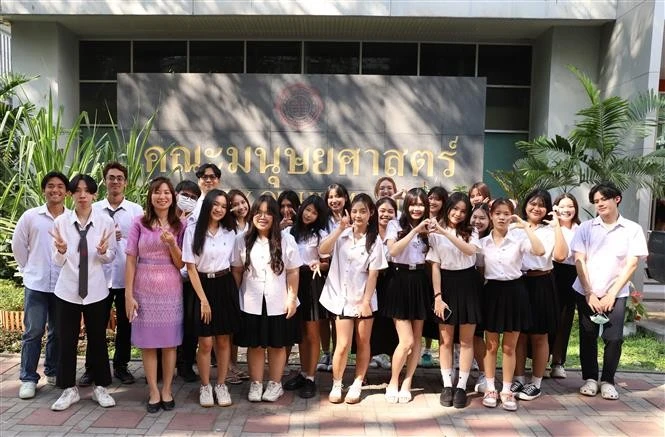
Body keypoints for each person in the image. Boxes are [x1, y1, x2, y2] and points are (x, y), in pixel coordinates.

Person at [572, 182, 648, 400]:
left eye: (603, 199)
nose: (599, 204)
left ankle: (607, 380)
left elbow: (632, 264)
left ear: (617, 199)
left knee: (613, 338)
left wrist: (611, 294)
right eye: (596, 201)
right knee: (587, 336)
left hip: (616, 292)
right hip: (587, 291)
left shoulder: (632, 229)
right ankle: (589, 378)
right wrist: (589, 292)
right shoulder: (586, 228)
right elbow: (579, 260)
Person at [49, 174, 117, 411]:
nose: (82, 195)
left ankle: (101, 387)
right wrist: (61, 250)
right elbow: (57, 262)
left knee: (98, 339)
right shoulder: (60, 223)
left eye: (87, 191)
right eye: (77, 191)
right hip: (67, 290)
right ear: (70, 194)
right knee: (66, 340)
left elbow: (111, 256)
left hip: (96, 290)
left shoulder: (105, 222)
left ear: (94, 195)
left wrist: (103, 252)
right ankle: (69, 389)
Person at [473, 198, 544, 412]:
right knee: (492, 344)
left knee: (509, 346)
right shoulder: (483, 243)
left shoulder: (518, 238)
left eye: (506, 213)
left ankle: (506, 390)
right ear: (491, 216)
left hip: (515, 292)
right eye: (498, 213)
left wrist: (523, 225)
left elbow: (540, 251)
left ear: (511, 215)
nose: (502, 217)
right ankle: (490, 388)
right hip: (492, 292)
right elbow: (480, 269)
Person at [231, 195, 302, 403]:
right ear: (253, 214)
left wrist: (292, 298)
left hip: (278, 301)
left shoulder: (286, 239)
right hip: (250, 300)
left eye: (268, 213)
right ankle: (256, 383)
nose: (263, 217)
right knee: (254, 345)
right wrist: (234, 299)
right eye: (259, 212)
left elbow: (293, 272)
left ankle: (274, 383)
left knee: (277, 345)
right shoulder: (241, 240)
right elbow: (236, 271)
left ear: (275, 216)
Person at [319, 193, 387, 404]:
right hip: (341, 298)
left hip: (363, 298)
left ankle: (357, 382)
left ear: (371, 213)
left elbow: (374, 274)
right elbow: (323, 250)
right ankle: (337, 383)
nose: (358, 215)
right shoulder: (341, 234)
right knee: (342, 344)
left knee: (363, 341)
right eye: (355, 211)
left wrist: (366, 302)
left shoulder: (374, 240)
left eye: (363, 211)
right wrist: (340, 228)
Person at [125, 177, 185, 413]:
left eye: (167, 193)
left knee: (169, 343)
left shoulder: (181, 225)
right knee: (148, 344)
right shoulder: (138, 222)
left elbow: (181, 263)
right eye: (157, 192)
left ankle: (167, 389)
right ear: (150, 196)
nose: (162, 196)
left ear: (173, 197)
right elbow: (130, 259)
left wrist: (172, 244)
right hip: (144, 287)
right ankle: (153, 390)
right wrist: (129, 294)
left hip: (170, 287)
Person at [81, 162, 143, 386]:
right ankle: (92, 368)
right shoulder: (93, 208)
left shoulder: (136, 210)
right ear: (104, 181)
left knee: (126, 325)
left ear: (125, 182)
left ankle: (121, 366)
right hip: (98, 277)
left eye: (119, 178)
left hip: (127, 278)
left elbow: (142, 242)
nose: (115, 181)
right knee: (95, 325)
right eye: (111, 177)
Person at [12, 172, 69, 400]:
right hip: (36, 285)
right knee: (33, 331)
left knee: (57, 331)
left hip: (62, 286)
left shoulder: (72, 219)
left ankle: (53, 371)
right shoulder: (31, 217)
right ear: (44, 190)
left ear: (66, 192)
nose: (55, 190)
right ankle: (27, 378)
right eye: (50, 186)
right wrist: (29, 270)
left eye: (60, 186)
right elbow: (19, 247)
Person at [183, 189, 241, 407]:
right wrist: (203, 300)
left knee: (224, 341)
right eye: (215, 204)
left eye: (224, 206)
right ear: (207, 205)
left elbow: (236, 264)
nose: (219, 209)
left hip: (224, 285)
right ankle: (205, 386)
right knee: (206, 342)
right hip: (201, 286)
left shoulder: (230, 231)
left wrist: (233, 295)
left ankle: (221, 384)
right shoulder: (192, 230)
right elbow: (190, 267)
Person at [428, 192, 483, 409]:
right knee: (446, 339)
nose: (458, 214)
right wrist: (438, 297)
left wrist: (445, 232)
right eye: (455, 209)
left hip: (468, 283)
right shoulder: (434, 232)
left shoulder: (472, 231)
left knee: (467, 340)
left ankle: (461, 385)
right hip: (446, 285)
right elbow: (434, 266)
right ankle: (446, 384)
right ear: (448, 207)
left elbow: (469, 250)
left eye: (463, 210)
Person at [511, 189, 567, 401]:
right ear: (525, 205)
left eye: (541, 205)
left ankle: (535, 382)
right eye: (532, 203)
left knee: (539, 335)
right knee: (519, 334)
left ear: (548, 209)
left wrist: (558, 227)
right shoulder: (514, 228)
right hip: (518, 283)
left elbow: (561, 256)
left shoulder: (550, 229)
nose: (536, 208)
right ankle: (518, 378)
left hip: (542, 282)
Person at [382, 188, 431, 404]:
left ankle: (407, 382)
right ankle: (393, 380)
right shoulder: (395, 224)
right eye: (413, 204)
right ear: (406, 205)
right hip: (399, 280)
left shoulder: (431, 225)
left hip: (420, 279)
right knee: (407, 340)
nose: (416, 208)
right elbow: (393, 252)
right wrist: (415, 231)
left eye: (421, 204)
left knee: (417, 337)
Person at [283, 195, 330, 398]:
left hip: (312, 282)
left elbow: (326, 261)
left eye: (314, 212)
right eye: (307, 209)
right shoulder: (288, 232)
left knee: (312, 333)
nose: (309, 214)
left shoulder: (320, 234)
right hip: (292, 282)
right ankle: (303, 372)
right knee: (300, 332)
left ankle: (311, 377)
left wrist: (319, 265)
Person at [318, 183, 351, 372]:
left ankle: (339, 353)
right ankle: (326, 352)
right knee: (324, 317)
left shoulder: (353, 217)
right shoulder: (323, 220)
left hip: (345, 275)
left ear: (345, 198)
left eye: (338, 196)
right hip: (323, 271)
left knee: (339, 318)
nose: (334, 200)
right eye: (330, 197)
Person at [549, 193, 580, 378]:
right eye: (562, 206)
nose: (566, 210)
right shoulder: (549, 226)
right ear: (555, 208)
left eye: (571, 206)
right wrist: (555, 225)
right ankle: (541, 359)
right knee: (546, 317)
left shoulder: (581, 229)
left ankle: (558, 362)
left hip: (571, 274)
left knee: (564, 319)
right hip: (550, 272)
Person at [174, 180, 201, 383]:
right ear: (176, 194)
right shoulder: (163, 218)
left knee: (190, 324)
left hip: (188, 280)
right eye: (185, 195)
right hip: (165, 279)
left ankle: (186, 364)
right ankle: (161, 364)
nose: (188, 200)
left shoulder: (197, 221)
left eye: (193, 198)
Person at [369, 197, 399, 370]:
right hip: (371, 285)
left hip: (392, 284)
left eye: (390, 211)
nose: (386, 214)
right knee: (369, 329)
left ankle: (395, 372)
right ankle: (362, 373)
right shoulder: (368, 232)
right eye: (383, 210)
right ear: (375, 212)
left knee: (392, 331)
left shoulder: (399, 232)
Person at [225, 188, 251, 385]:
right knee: (229, 326)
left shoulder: (255, 223)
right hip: (230, 278)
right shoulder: (227, 228)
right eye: (235, 204)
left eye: (243, 202)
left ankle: (236, 364)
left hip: (251, 282)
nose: (241, 207)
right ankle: (229, 365)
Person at [420, 186, 449, 368]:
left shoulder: (446, 222)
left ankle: (440, 353)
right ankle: (425, 350)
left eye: (437, 199)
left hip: (440, 274)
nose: (432, 201)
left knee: (440, 316)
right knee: (424, 315)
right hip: (422, 274)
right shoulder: (420, 219)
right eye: (430, 197)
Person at [469, 202, 491, 392]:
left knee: (478, 334)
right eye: (474, 217)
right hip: (465, 288)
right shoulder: (465, 235)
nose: (477, 221)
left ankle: (485, 373)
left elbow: (483, 269)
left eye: (482, 218)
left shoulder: (493, 239)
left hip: (484, 290)